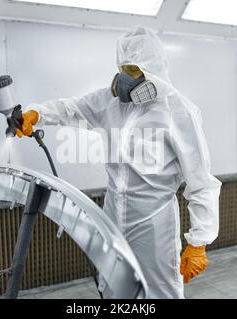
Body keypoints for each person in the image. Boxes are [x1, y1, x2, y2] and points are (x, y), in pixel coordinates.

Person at [16, 26, 221, 299]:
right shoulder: (112, 102)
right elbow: (72, 108)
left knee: (159, 292)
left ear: (153, 71)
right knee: (113, 288)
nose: (125, 78)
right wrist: (37, 114)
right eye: (123, 67)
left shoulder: (178, 112)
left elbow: (200, 181)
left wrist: (199, 241)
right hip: (112, 217)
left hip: (154, 224)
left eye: (134, 70)